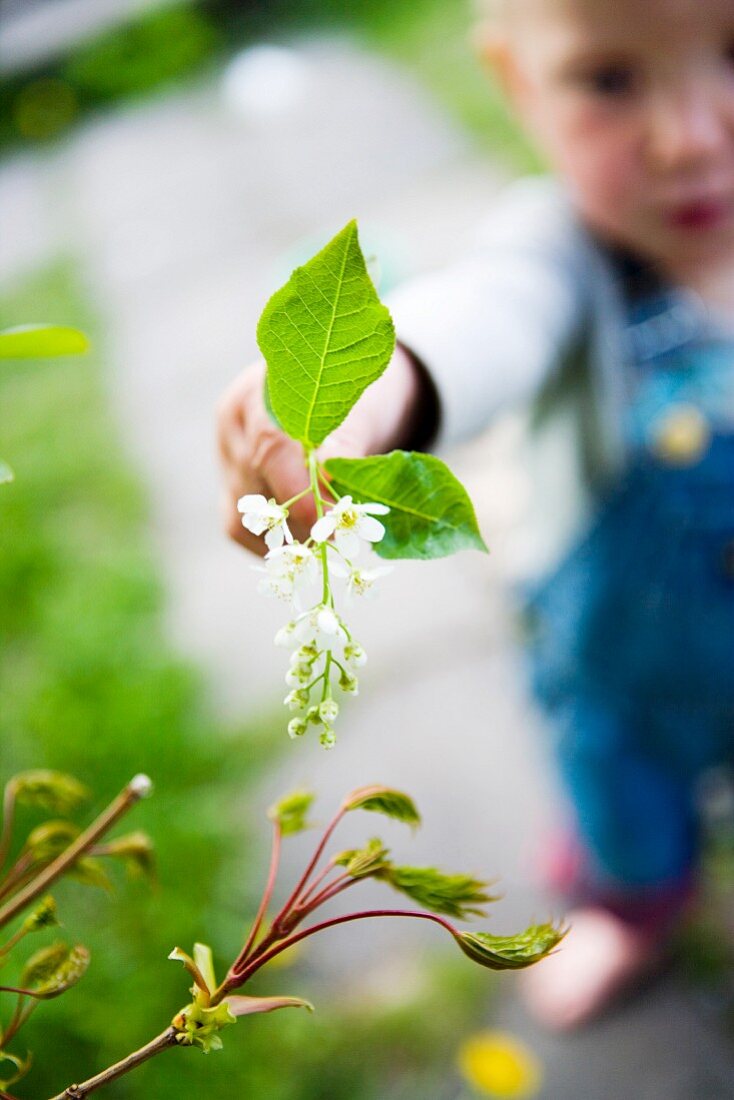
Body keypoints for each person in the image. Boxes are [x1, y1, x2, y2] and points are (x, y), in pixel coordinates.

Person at [217, 0, 734, 1029]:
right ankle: (631, 909)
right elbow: (485, 317)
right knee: (621, 800)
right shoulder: (565, 253)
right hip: (626, 665)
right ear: (516, 84)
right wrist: (373, 385)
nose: (687, 136)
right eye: (608, 81)